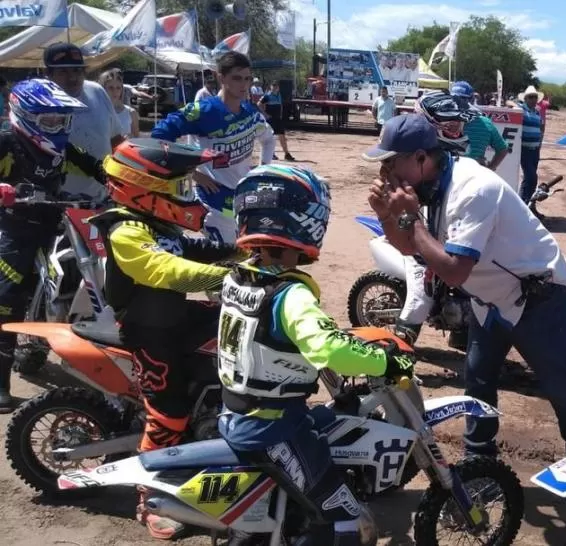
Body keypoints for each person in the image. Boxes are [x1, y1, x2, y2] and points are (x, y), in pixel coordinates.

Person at [364, 113, 566, 458]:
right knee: (478, 383)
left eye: (391, 163)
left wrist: (410, 217)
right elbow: (412, 247)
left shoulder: (472, 189)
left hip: (538, 297)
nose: (385, 174)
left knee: (564, 391)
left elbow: (454, 271)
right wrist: (386, 214)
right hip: (491, 299)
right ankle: (479, 463)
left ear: (421, 158)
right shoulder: (431, 186)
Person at [217, 164, 413, 546]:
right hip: (274, 428)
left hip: (237, 413)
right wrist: (385, 361)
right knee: (345, 516)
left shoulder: (237, 277)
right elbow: (330, 349)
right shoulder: (291, 296)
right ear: (300, 223)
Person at [89, 138, 242, 540]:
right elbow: (168, 269)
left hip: (175, 318)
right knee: (168, 410)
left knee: (239, 335)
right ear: (143, 189)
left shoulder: (157, 223)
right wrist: (234, 278)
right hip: (148, 331)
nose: (185, 194)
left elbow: (196, 248)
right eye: (177, 187)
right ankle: (151, 498)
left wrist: (248, 251)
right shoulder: (126, 231)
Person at [0, 79, 105, 413]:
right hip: (14, 228)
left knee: (74, 276)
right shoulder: (6, 141)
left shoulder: (62, 146)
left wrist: (127, 177)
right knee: (8, 297)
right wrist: (5, 190)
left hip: (56, 222)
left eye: (62, 119)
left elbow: (96, 166)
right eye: (49, 120)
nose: (58, 126)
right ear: (24, 114)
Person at [151, 51, 275, 243]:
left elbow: (269, 139)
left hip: (243, 196)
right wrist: (191, 172)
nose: (243, 84)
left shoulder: (251, 113)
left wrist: (262, 170)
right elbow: (160, 136)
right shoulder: (203, 110)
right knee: (228, 257)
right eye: (236, 78)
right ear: (221, 77)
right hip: (212, 200)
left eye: (247, 79)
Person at [390, 92, 479, 351]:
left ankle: (461, 333)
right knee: (420, 296)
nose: (456, 132)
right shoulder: (417, 162)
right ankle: (396, 358)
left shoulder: (456, 164)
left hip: (440, 234)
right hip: (422, 241)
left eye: (457, 126)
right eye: (449, 127)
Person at [44, 42, 124, 201]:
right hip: (58, 200)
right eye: (63, 72)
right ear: (48, 74)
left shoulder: (97, 91)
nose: (72, 78)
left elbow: (116, 139)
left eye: (77, 70)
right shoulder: (40, 103)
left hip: (104, 196)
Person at [450, 81, 509, 171]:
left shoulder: (440, 120)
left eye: (462, 99)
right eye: (456, 99)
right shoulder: (485, 123)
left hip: (450, 176)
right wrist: (491, 168)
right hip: (474, 175)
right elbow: (503, 149)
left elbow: (503, 149)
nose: (458, 103)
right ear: (472, 99)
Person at [506, 85, 543, 204]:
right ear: (525, 99)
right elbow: (508, 102)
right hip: (525, 150)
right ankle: (522, 203)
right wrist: (516, 106)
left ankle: (528, 204)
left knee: (529, 180)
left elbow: (540, 128)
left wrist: (540, 143)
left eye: (535, 97)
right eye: (531, 97)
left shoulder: (537, 112)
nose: (533, 99)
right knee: (532, 177)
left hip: (535, 150)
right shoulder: (521, 109)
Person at [258, 81, 296, 161]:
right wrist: (265, 114)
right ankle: (272, 154)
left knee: (282, 136)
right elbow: (259, 104)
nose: (275, 87)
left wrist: (281, 114)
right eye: (273, 86)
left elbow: (280, 105)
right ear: (270, 87)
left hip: (278, 119)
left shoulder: (279, 95)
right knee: (271, 137)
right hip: (271, 120)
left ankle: (286, 154)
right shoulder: (267, 96)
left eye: (276, 86)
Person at [99, 68, 139, 137]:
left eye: (118, 88)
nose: (115, 92)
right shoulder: (96, 111)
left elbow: (137, 139)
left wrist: (130, 137)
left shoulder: (131, 112)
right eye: (111, 88)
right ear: (102, 88)